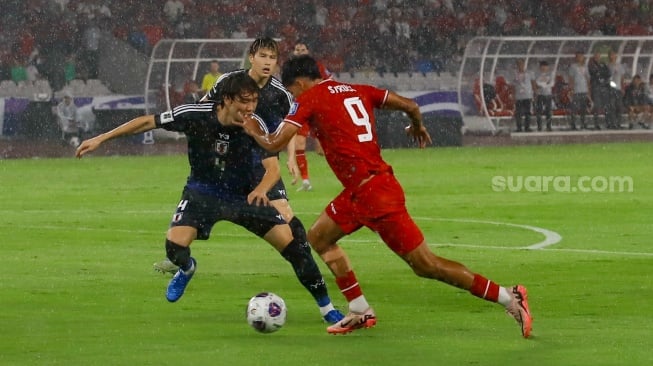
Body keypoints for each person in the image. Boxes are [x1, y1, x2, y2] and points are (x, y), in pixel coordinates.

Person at [236, 55, 533, 338]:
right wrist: (416, 125)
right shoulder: (358, 90)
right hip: (359, 192)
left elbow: (273, 141)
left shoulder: (309, 98)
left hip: (376, 195)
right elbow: (411, 104)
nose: (292, 95)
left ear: (298, 83)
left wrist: (251, 128)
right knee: (319, 237)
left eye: (291, 90)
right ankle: (359, 309)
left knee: (426, 265)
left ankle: (509, 297)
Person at [75, 72, 344, 324]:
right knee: (175, 249)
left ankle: (328, 310)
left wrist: (262, 189)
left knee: (295, 249)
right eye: (244, 102)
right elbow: (148, 121)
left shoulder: (255, 124)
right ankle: (188, 268)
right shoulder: (195, 114)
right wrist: (102, 138)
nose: (250, 108)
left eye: (253, 102)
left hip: (244, 197)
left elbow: (272, 169)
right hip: (203, 193)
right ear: (226, 100)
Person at [288, 41, 331, 191]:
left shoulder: (316, 66)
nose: (300, 51)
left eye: (303, 49)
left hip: (317, 109)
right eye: (297, 49)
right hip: (301, 109)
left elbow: (328, 81)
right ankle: (306, 181)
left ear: (308, 51)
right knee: (300, 144)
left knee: (321, 150)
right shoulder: (290, 69)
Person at [587, 52, 612, 130]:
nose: (597, 57)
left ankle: (608, 123)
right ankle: (596, 124)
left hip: (604, 87)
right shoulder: (591, 65)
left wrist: (600, 73)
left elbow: (608, 73)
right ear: (594, 56)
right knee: (597, 106)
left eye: (598, 56)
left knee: (607, 106)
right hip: (596, 88)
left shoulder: (603, 64)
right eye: (596, 56)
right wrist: (601, 73)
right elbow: (594, 73)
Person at [568, 52, 592, 130]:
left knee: (583, 109)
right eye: (578, 56)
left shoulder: (585, 67)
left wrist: (588, 90)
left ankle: (583, 124)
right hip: (576, 91)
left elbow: (588, 79)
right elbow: (571, 78)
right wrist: (571, 89)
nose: (580, 58)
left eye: (581, 56)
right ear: (576, 57)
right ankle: (573, 124)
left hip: (584, 90)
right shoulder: (573, 67)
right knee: (574, 109)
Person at [512, 59, 536, 132]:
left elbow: (533, 83)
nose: (520, 66)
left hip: (528, 95)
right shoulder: (515, 74)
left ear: (524, 64)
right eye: (518, 64)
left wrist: (534, 93)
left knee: (527, 113)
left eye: (521, 64)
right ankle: (519, 128)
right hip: (519, 96)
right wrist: (513, 95)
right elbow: (513, 86)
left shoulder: (529, 73)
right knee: (518, 113)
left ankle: (527, 127)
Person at [607, 51, 626, 129]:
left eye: (614, 54)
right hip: (611, 89)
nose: (612, 56)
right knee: (612, 107)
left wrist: (622, 87)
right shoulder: (608, 66)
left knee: (619, 107)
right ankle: (612, 123)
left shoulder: (620, 66)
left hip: (618, 89)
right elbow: (607, 78)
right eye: (611, 55)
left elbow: (622, 78)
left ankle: (618, 123)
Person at [534, 61, 554, 131]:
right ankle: (539, 126)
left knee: (548, 111)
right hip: (540, 95)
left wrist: (543, 85)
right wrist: (544, 84)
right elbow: (537, 83)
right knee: (539, 111)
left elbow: (551, 83)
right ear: (540, 67)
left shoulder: (550, 74)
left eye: (546, 67)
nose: (544, 68)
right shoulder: (537, 74)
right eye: (543, 67)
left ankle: (549, 126)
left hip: (548, 95)